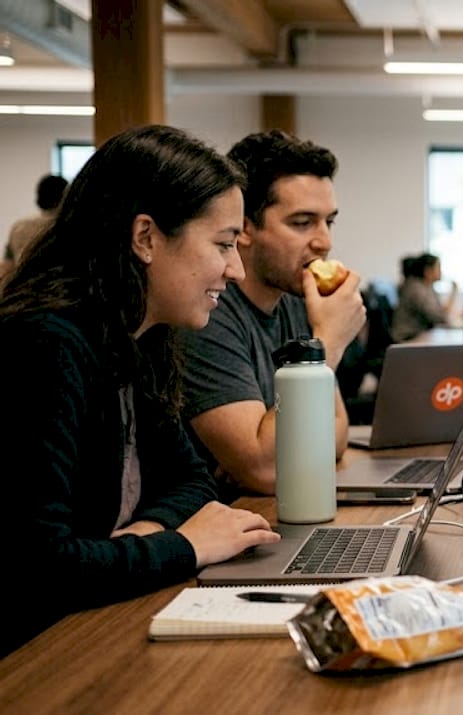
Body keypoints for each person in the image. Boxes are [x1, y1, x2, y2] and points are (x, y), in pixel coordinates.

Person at [1, 125, 280, 655]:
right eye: (223, 244)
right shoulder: (46, 346)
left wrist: (145, 537)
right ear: (146, 237)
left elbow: (191, 481)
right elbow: (39, 566)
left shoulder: (139, 337)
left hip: (86, 623)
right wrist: (180, 547)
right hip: (32, 653)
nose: (236, 269)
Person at [175, 130, 366, 498]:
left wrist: (285, 450)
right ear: (243, 226)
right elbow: (267, 471)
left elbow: (338, 432)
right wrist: (328, 344)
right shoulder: (207, 313)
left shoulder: (297, 301)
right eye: (302, 222)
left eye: (329, 221)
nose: (324, 241)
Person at [1, 173, 69, 279]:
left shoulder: (19, 227)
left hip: (25, 289)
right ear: (66, 196)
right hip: (59, 289)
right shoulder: (66, 225)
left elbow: (7, 267)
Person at [390, 252, 457, 342]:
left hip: (418, 334)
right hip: (407, 338)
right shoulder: (416, 289)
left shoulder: (427, 287)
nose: (441, 272)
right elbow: (439, 317)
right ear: (428, 271)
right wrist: (454, 292)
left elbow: (439, 311)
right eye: (438, 267)